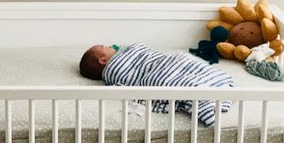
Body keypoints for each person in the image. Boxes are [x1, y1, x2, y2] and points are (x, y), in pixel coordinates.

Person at [79, 42, 233, 126]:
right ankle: (202, 98)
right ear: (103, 60)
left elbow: (146, 54)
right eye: (105, 47)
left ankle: (211, 85)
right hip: (155, 72)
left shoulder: (126, 54)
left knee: (183, 60)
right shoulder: (115, 70)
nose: (111, 46)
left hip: (165, 62)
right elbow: (129, 83)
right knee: (168, 81)